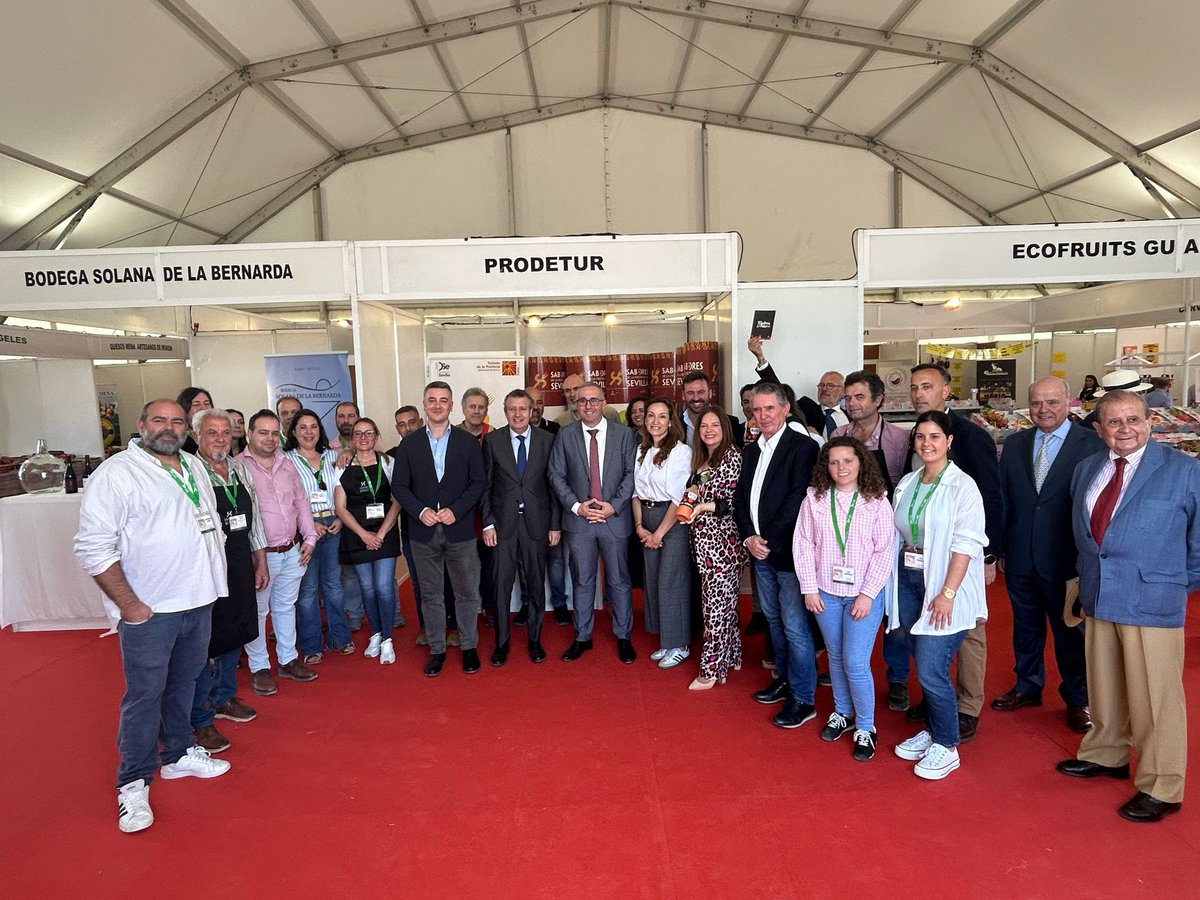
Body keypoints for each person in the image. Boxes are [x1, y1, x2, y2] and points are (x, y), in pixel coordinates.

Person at [75, 399, 231, 834]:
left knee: (184, 684)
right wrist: (130, 606)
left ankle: (178, 754)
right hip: (150, 610)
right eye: (159, 420)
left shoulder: (193, 465)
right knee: (145, 695)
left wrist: (212, 588)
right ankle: (133, 781)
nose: (168, 428)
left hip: (197, 600)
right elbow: (92, 548)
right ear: (141, 424)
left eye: (177, 421)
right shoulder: (118, 474)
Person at [1056, 390, 1200, 823]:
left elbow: (1198, 546)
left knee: (1156, 698)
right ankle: (1106, 754)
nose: (1124, 429)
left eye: (1132, 420)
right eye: (1114, 422)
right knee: (1105, 686)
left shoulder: (1184, 471)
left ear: (1149, 422)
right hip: (1100, 594)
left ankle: (1162, 785)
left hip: (1153, 599)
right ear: (1099, 429)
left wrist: (1173, 584)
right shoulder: (1087, 469)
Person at [892, 363, 1001, 739]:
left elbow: (989, 498)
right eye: (914, 387)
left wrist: (988, 557)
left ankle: (967, 706)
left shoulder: (971, 436)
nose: (919, 393)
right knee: (922, 633)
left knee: (967, 632)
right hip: (916, 561)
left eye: (927, 386)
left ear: (946, 391)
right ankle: (937, 696)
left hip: (961, 561)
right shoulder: (913, 438)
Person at [995, 377, 1102, 733]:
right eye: (1037, 402)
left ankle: (1077, 697)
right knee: (1024, 628)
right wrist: (1000, 549)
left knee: (1070, 632)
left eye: (1053, 402)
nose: (1044, 410)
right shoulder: (1014, 445)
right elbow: (1005, 500)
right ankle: (1028, 685)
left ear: (1069, 402)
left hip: (1066, 558)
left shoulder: (1091, 445)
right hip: (1020, 555)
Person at [890, 411, 989, 780]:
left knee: (932, 667)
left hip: (945, 586)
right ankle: (933, 730)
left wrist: (947, 593)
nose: (926, 444)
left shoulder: (963, 487)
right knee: (921, 658)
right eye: (920, 437)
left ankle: (947, 745)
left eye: (934, 437)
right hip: (911, 579)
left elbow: (965, 545)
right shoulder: (910, 482)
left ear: (949, 441)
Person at [795, 437, 894, 761]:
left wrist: (867, 595)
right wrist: (809, 587)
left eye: (847, 461)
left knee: (854, 661)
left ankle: (866, 726)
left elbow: (884, 551)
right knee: (835, 656)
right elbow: (804, 543)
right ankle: (843, 712)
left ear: (861, 462)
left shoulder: (877, 500)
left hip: (863, 595)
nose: (841, 468)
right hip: (825, 592)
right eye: (834, 462)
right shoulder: (815, 498)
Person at [734, 382, 820, 729]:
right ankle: (785, 679)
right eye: (757, 410)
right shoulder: (751, 450)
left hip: (787, 554)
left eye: (770, 408)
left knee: (796, 628)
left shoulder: (803, 447)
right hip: (759, 552)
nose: (763, 415)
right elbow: (741, 499)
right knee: (773, 620)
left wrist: (766, 539)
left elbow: (798, 499)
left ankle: (804, 698)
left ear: (786, 410)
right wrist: (748, 538)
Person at [392, 381, 487, 677]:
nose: (437, 405)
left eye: (442, 400)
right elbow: (399, 486)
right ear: (424, 404)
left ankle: (469, 645)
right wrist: (421, 511)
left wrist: (455, 510)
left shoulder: (467, 441)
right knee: (431, 595)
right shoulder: (409, 444)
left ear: (450, 405)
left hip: (459, 530)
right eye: (431, 400)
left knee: (467, 591)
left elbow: (478, 483)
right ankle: (437, 649)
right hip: (422, 532)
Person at [189, 408, 268, 754]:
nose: (220, 439)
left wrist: (260, 558)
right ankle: (199, 717)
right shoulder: (191, 472)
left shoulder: (238, 468)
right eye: (211, 433)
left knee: (236, 629)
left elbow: (254, 520)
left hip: (239, 562)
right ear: (196, 438)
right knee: (206, 642)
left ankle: (224, 697)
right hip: (206, 567)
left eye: (225, 432)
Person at [548, 380, 639, 663]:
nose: (588, 405)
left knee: (619, 581)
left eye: (594, 400)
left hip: (614, 519)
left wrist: (613, 506)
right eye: (583, 400)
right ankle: (582, 636)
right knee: (583, 581)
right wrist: (577, 507)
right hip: (580, 522)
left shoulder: (625, 435)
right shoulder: (565, 435)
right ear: (576, 403)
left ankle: (623, 636)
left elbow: (631, 474)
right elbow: (555, 475)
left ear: (604, 402)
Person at [238, 409, 319, 694]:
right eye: (263, 432)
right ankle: (259, 667)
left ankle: (288, 660)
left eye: (275, 433)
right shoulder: (238, 467)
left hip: (292, 550)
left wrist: (310, 538)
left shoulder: (287, 464)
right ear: (249, 434)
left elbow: (301, 502)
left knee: (286, 607)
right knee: (259, 612)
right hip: (260, 555)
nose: (270, 438)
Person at [481, 389, 561, 665]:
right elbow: (486, 487)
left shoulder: (548, 440)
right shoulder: (492, 441)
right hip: (502, 526)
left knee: (536, 585)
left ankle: (535, 640)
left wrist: (555, 525)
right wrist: (488, 523)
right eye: (512, 409)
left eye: (522, 409)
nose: (517, 414)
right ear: (505, 412)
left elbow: (553, 486)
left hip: (537, 525)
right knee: (501, 586)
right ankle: (501, 644)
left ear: (532, 412)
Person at [685, 404, 747, 690]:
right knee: (724, 607)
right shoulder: (703, 459)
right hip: (704, 544)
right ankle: (729, 660)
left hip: (722, 545)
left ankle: (709, 670)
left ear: (725, 428)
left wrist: (702, 506)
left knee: (715, 610)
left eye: (715, 425)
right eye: (704, 426)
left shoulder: (732, 457)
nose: (709, 430)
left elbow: (733, 503)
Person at [285, 409, 354, 663]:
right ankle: (312, 645)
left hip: (334, 524)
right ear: (294, 432)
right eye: (302, 427)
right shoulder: (286, 460)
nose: (308, 432)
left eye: (313, 427)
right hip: (305, 530)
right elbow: (287, 498)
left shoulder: (333, 455)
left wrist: (339, 518)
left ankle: (341, 638)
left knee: (334, 586)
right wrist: (310, 523)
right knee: (308, 590)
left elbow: (341, 489)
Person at [334, 418, 403, 666]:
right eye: (358, 433)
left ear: (376, 436)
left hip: (385, 534)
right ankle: (375, 633)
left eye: (369, 433)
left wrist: (381, 534)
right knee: (367, 588)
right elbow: (340, 508)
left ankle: (388, 639)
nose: (364, 438)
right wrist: (364, 534)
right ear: (352, 438)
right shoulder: (342, 466)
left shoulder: (389, 463)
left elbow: (397, 500)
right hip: (357, 536)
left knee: (384, 587)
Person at [634, 397, 693, 669]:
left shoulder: (681, 451)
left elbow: (678, 497)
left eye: (661, 416)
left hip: (671, 520)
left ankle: (679, 644)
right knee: (655, 581)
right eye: (650, 416)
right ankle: (665, 640)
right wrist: (640, 528)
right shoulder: (642, 450)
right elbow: (635, 493)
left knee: (672, 582)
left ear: (671, 421)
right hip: (646, 518)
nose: (655, 421)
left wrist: (658, 533)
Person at [387, 405, 430, 639]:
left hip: (444, 523)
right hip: (412, 527)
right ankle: (426, 627)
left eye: (411, 422)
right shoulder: (391, 456)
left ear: (421, 422)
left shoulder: (436, 446)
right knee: (418, 579)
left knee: (447, 578)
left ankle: (451, 625)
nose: (407, 428)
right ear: (397, 428)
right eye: (402, 424)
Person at [746, 334, 843, 438]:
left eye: (830, 386)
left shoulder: (851, 413)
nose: (824, 389)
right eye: (821, 385)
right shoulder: (807, 408)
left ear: (843, 390)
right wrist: (761, 359)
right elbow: (776, 390)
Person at [831, 370, 907, 493]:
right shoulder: (838, 435)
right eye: (848, 398)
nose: (851, 403)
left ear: (877, 400)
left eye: (859, 397)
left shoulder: (899, 438)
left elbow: (906, 483)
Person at [459, 387, 497, 628]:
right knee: (462, 566)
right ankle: (466, 609)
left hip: (488, 514)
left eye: (481, 407)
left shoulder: (494, 436)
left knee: (489, 565)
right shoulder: (451, 435)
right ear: (463, 409)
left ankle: (490, 606)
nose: (476, 411)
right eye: (472, 406)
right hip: (461, 514)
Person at [679, 371, 744, 446]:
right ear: (683, 395)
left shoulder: (731, 423)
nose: (696, 398)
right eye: (690, 393)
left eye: (701, 392)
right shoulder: (675, 425)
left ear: (710, 393)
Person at [555, 372, 623, 426]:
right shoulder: (561, 421)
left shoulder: (609, 412)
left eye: (576, 389)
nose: (572, 394)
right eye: (567, 391)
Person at [176, 386, 214, 454]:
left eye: (207, 403)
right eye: (196, 404)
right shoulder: (179, 438)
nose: (203, 408)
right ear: (184, 408)